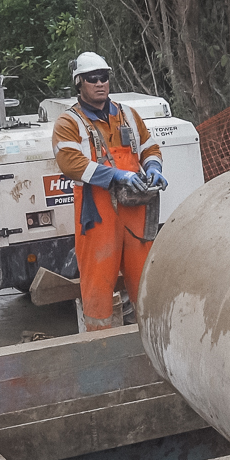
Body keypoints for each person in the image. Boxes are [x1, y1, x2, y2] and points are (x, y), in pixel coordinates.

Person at [52, 52, 167, 330]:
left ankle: (150, 339)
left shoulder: (128, 115)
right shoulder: (69, 123)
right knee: (98, 286)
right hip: (98, 216)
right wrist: (117, 175)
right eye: (92, 78)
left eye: (104, 77)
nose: (100, 83)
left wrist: (153, 167)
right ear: (79, 83)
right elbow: (70, 163)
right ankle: (99, 342)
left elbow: (150, 147)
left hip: (136, 213)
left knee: (146, 283)